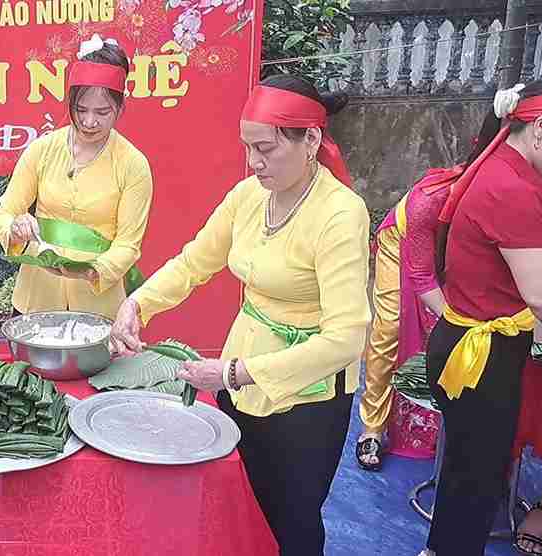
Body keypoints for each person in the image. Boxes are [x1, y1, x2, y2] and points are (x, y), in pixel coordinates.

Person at [109, 74, 369, 555]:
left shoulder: (340, 214)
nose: (254, 162)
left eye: (266, 149)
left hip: (305, 395)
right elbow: (193, 262)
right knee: (240, 504)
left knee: (291, 519)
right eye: (248, 148)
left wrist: (232, 372)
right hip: (241, 376)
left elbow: (346, 339)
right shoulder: (249, 197)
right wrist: (137, 302)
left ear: (311, 140)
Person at [420, 72, 542, 556]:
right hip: (482, 356)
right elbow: (541, 296)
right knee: (477, 478)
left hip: (470, 341)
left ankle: (440, 548)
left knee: (467, 469)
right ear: (540, 127)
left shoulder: (497, 165)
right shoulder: (512, 189)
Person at [0, 34, 152, 319]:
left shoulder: (133, 164)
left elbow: (129, 243)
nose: (90, 122)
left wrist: (95, 271)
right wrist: (14, 229)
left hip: (98, 305)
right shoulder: (42, 150)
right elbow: (4, 214)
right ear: (70, 103)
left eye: (103, 112)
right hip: (35, 301)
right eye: (81, 110)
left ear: (120, 107)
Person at [356, 164, 458, 470]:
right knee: (391, 327)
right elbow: (421, 275)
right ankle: (372, 426)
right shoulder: (430, 200)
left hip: (448, 254)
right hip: (400, 245)